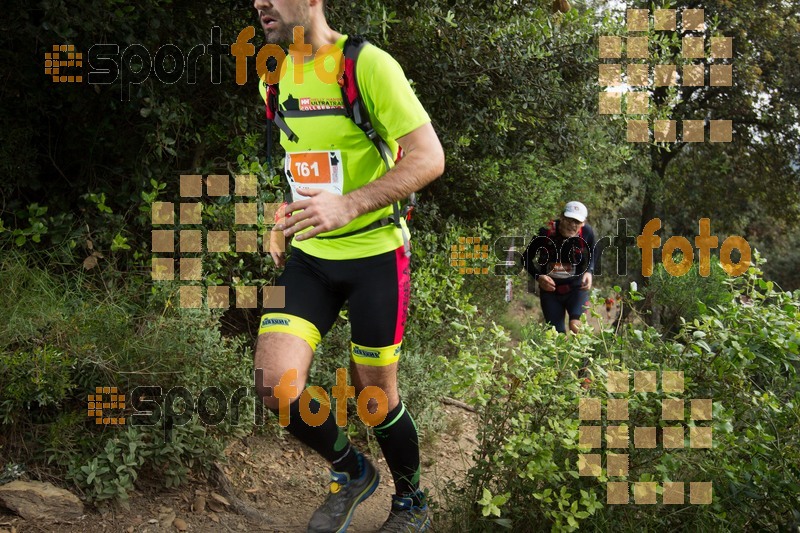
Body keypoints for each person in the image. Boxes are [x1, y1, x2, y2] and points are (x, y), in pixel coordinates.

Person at [251, 1, 445, 532]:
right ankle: (352, 471)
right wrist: (284, 212)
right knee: (275, 383)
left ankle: (412, 499)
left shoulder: (367, 65)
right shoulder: (271, 71)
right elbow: (305, 158)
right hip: (312, 256)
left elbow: (429, 157)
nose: (260, 3)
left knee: (375, 398)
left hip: (377, 255)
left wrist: (351, 204)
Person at [521, 201, 596, 334]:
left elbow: (593, 253)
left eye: (577, 222)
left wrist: (589, 271)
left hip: (576, 289)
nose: (572, 225)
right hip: (550, 291)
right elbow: (525, 258)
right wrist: (538, 277)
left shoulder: (587, 233)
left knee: (576, 327)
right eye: (568, 220)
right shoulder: (545, 232)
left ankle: (583, 355)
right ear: (561, 217)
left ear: (583, 223)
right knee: (557, 336)